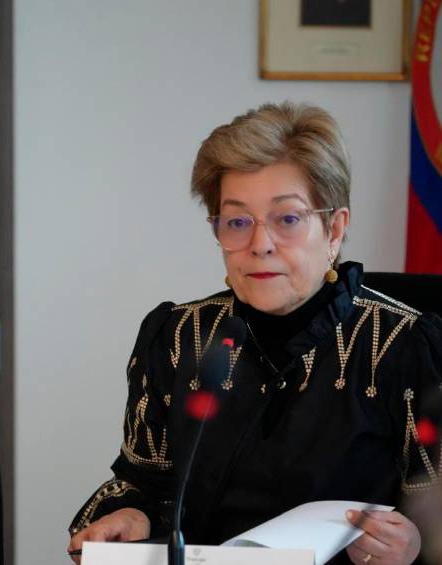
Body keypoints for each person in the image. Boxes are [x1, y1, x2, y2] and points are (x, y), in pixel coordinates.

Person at [68, 102, 442, 564]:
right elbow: (142, 480)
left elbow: (434, 519)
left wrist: (415, 546)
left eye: (287, 219)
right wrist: (129, 514)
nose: (259, 244)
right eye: (237, 221)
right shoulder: (180, 336)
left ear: (334, 229)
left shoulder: (405, 345)